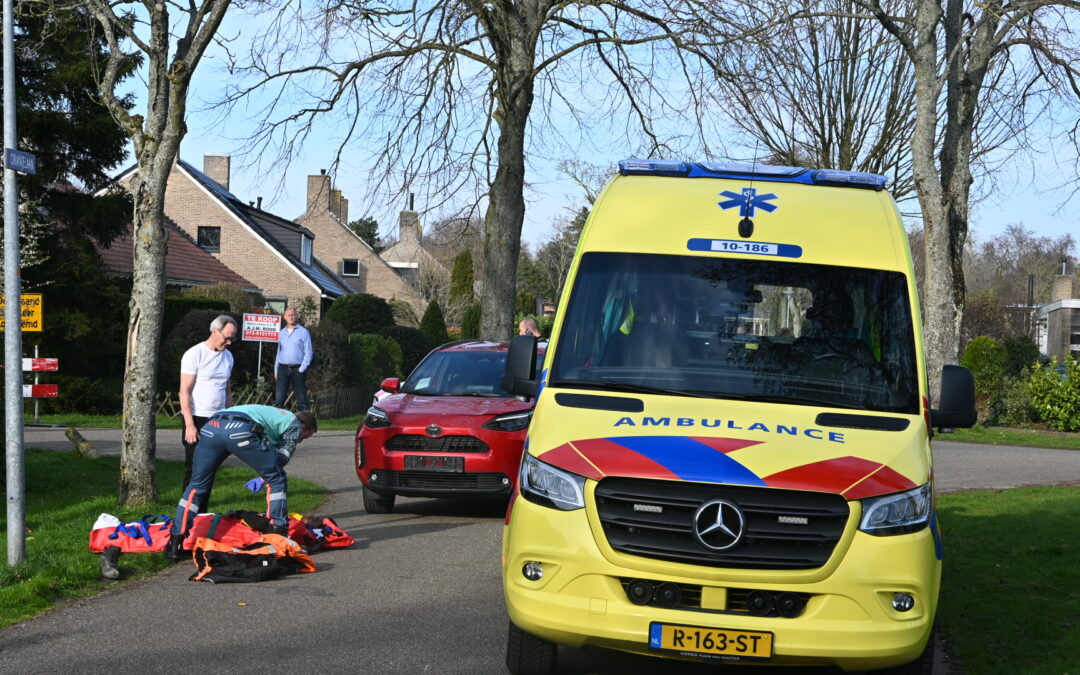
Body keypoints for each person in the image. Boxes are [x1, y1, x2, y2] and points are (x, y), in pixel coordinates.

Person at [165, 405, 318, 562]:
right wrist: (265, 477)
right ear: (304, 426)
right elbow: (282, 459)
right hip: (239, 429)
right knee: (277, 479)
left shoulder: (275, 417)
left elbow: (267, 451)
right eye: (305, 436)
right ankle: (279, 539)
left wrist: (264, 473)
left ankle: (174, 544)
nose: (301, 440)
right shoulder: (294, 423)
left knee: (196, 486)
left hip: (212, 426)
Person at [179, 315, 236, 499]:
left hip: (218, 419)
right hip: (197, 417)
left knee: (209, 470)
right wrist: (189, 425)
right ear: (214, 332)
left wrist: (231, 416)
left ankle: (202, 514)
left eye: (232, 339)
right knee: (194, 470)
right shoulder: (195, 354)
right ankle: (186, 516)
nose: (229, 342)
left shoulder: (228, 357)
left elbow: (227, 390)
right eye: (227, 338)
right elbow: (184, 392)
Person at [275, 307, 313, 410]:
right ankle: (280, 423)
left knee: (301, 399)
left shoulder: (304, 332)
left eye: (293, 315)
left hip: (297, 369)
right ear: (285, 317)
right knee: (279, 399)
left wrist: (302, 368)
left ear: (296, 316)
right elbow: (279, 352)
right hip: (282, 368)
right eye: (289, 315)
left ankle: (305, 423)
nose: (291, 317)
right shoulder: (281, 333)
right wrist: (276, 369)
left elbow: (308, 352)